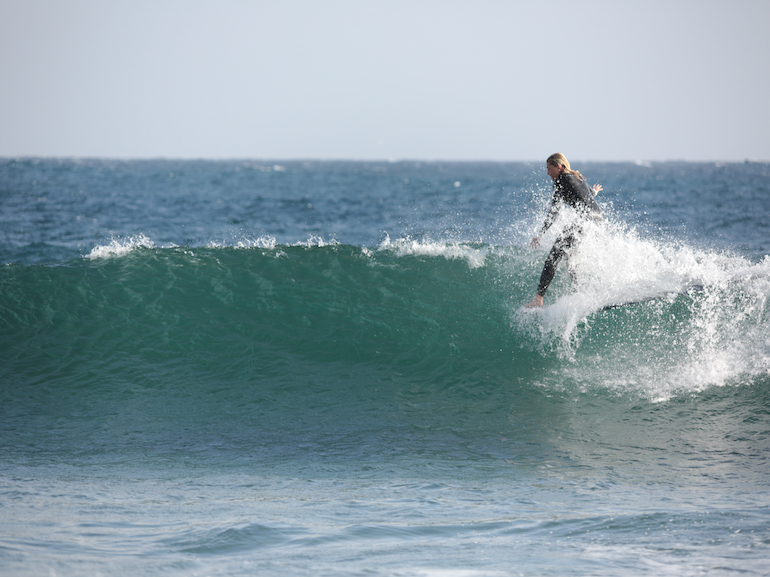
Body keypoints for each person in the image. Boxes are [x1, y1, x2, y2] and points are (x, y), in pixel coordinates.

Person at [524, 153, 603, 308]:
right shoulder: (578, 176)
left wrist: (540, 234)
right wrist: (594, 192)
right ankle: (578, 293)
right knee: (571, 257)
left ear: (558, 167)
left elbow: (554, 212)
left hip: (585, 220)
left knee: (553, 257)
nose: (548, 173)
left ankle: (538, 299)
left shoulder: (561, 180)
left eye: (549, 169)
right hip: (597, 221)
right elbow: (586, 196)